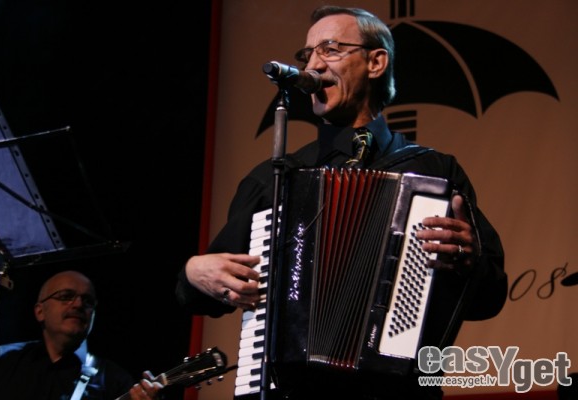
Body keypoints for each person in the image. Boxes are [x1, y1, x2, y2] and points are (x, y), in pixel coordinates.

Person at [175, 5, 507, 400]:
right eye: (307, 54)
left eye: (330, 49)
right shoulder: (275, 178)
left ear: (376, 62)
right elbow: (205, 295)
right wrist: (194, 272)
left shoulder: (433, 170)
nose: (313, 65)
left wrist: (470, 263)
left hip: (398, 391)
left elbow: (489, 300)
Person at [0, 270, 163, 400]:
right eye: (66, 296)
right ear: (40, 311)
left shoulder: (115, 381)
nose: (78, 305)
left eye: (88, 301)